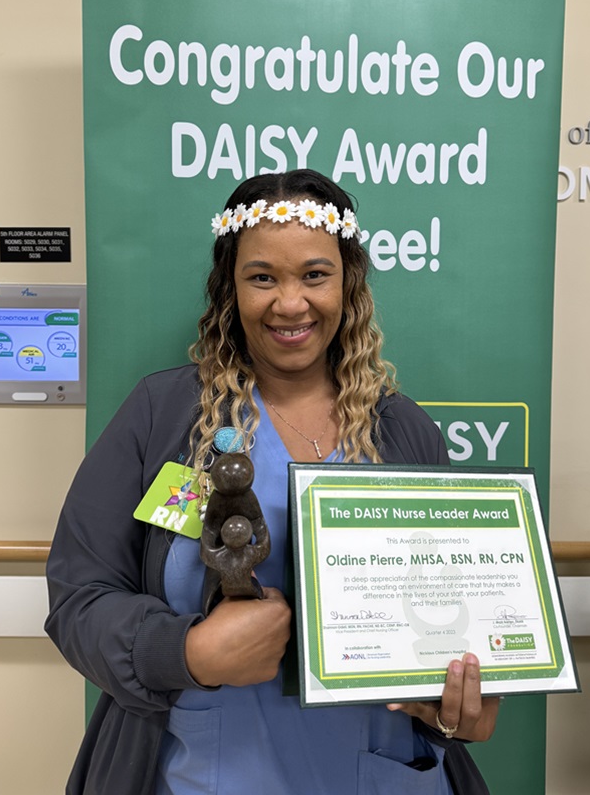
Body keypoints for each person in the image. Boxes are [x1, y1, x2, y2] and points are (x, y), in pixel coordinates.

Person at [45, 169, 499, 795]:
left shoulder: (404, 432)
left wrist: (460, 699)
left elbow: (460, 614)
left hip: (382, 774)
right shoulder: (166, 417)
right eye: (263, 277)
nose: (291, 303)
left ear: (350, 283)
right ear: (231, 289)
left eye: (315, 274)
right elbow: (79, 597)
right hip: (210, 775)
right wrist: (188, 653)